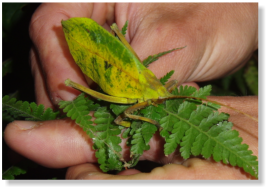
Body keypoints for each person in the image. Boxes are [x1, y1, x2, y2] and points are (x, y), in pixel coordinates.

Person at [4, 2, 258, 179]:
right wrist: (146, 118)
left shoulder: (157, 86)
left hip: (115, 59)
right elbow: (121, 117)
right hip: (114, 78)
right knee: (74, 87)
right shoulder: (140, 98)